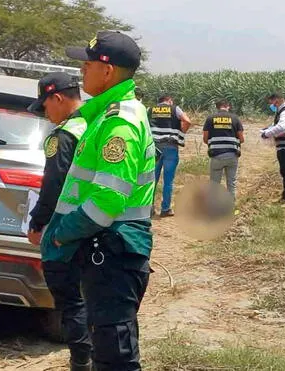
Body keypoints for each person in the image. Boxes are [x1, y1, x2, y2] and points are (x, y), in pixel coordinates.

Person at [40, 30, 155, 370]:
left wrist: (63, 232)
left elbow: (107, 199)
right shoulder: (102, 115)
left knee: (114, 356)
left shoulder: (120, 122)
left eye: (87, 65)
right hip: (106, 249)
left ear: (107, 71)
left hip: (114, 250)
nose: (82, 72)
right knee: (105, 348)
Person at [26, 72, 91, 371]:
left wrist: (38, 223)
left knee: (70, 301)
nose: (45, 113)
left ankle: (81, 361)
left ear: (58, 98)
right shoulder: (97, 124)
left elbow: (54, 184)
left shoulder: (64, 134)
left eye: (45, 105)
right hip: (98, 222)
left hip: (66, 229)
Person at [149, 94, 192, 217]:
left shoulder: (150, 110)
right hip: (170, 147)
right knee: (168, 181)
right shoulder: (175, 109)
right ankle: (165, 209)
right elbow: (187, 121)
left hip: (154, 148)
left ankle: (149, 208)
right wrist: (181, 133)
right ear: (169, 100)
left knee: (152, 179)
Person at [260, 93, 285, 203]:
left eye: (271, 103)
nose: (271, 105)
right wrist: (267, 129)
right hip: (284, 148)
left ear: (277, 101)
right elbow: (276, 126)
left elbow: (281, 127)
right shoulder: (281, 112)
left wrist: (267, 134)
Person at [203, 99, 244, 198]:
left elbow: (205, 138)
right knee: (231, 183)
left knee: (215, 184)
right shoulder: (235, 118)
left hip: (216, 155)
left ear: (217, 107)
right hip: (232, 155)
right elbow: (241, 139)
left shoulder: (210, 119)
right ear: (227, 106)